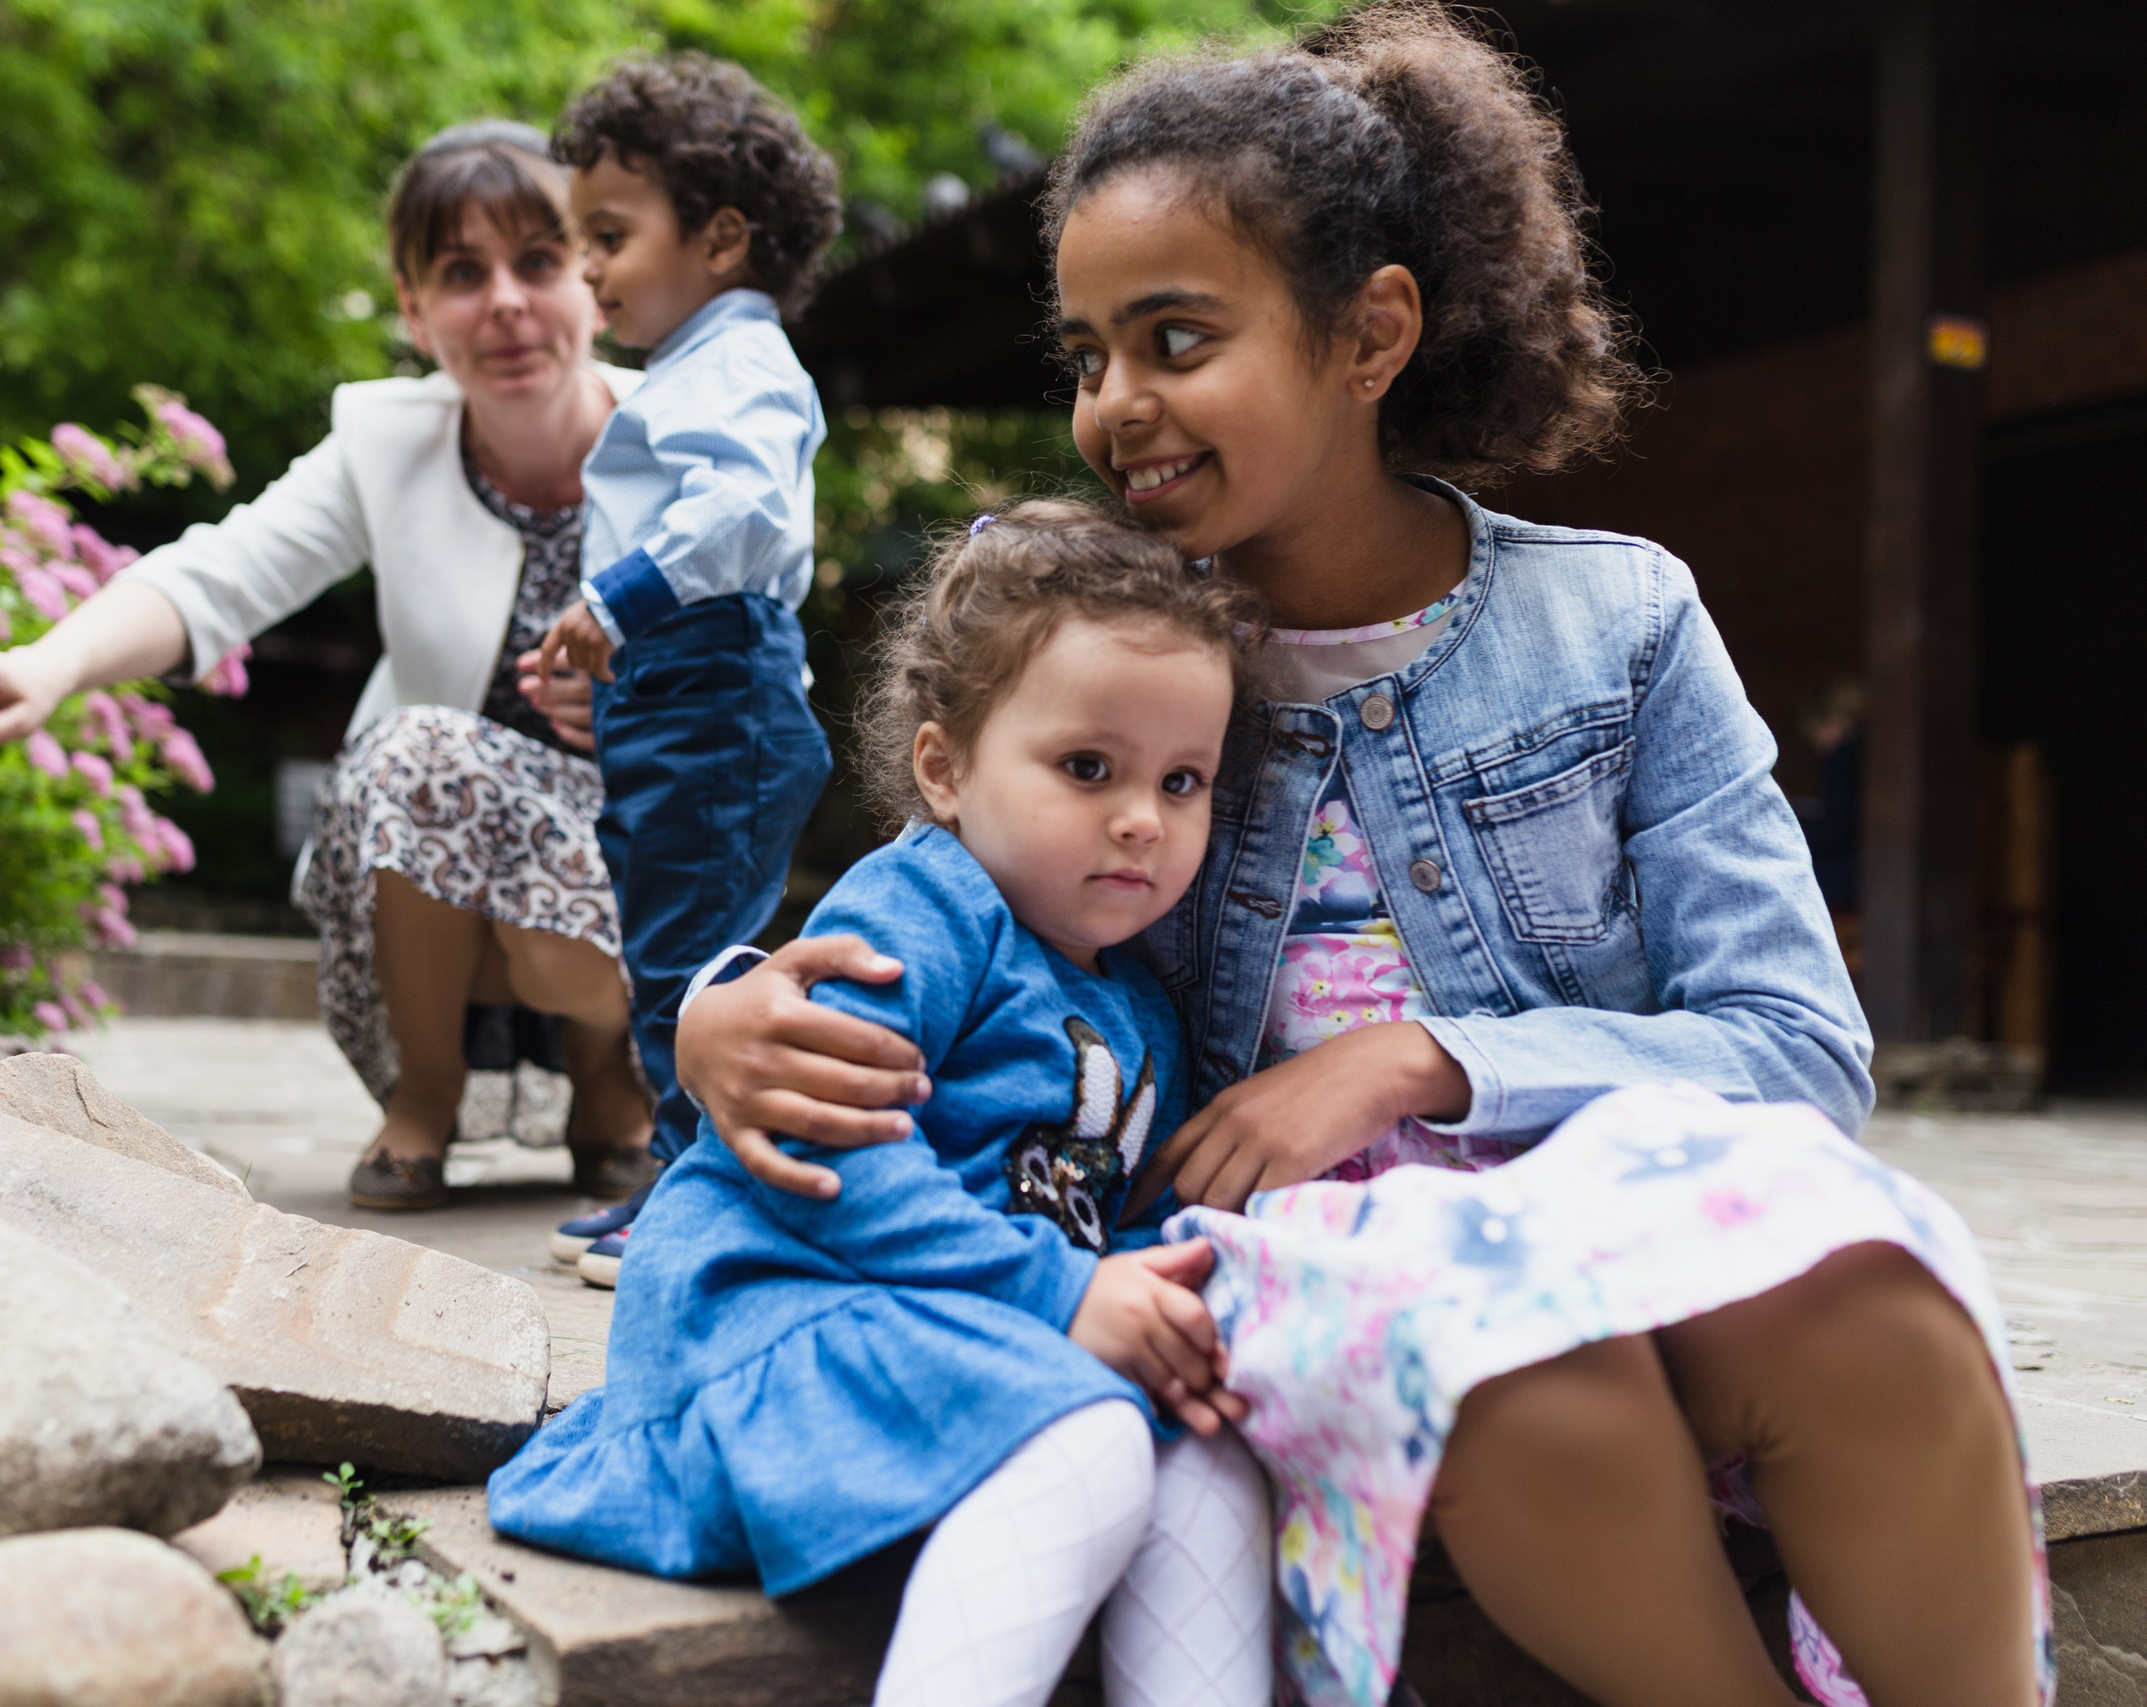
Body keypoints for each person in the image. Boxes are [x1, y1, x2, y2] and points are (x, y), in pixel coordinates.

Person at [672, 7, 2046, 1706]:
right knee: (1530, 1374)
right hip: (1318, 1264)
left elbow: (1797, 1045)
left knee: (1868, 1302)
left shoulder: (1616, 620)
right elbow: (940, 921)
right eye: (1089, 353)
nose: (1116, 404)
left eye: (1176, 337)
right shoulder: (1112, 656)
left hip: (1623, 1195)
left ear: (1369, 331)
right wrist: (726, 1010)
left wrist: (1415, 1061)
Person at [490, 502, 1273, 1707]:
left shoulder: (1143, 1012)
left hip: (960, 1339)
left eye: (1184, 781)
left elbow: (1099, 1221)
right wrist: (1066, 1294)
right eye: (1087, 767)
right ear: (944, 769)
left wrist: (1157, 1309)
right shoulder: (924, 907)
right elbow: (824, 1142)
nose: (1141, 819)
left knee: (1209, 1465)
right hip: (784, 1328)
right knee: (1094, 1441)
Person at [0, 121, 659, 1213]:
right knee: (412, 748)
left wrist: (648, 695)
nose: (504, 302)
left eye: (537, 262)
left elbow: (766, 696)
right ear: (410, 307)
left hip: (623, 866)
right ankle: (425, 1096)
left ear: (590, 274)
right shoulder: (383, 441)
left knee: (611, 831)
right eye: (459, 273)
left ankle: (612, 1091)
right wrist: (46, 667)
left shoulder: (684, 442)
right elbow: (218, 575)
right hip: (431, 873)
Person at [529, 56, 844, 1283]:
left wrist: (619, 598)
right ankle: (684, 1170)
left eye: (608, 235)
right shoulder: (695, 371)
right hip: (682, 699)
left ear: (721, 238)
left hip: (716, 698)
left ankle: (711, 1190)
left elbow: (748, 509)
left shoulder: (735, 368)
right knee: (670, 950)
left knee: (693, 961)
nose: (588, 268)